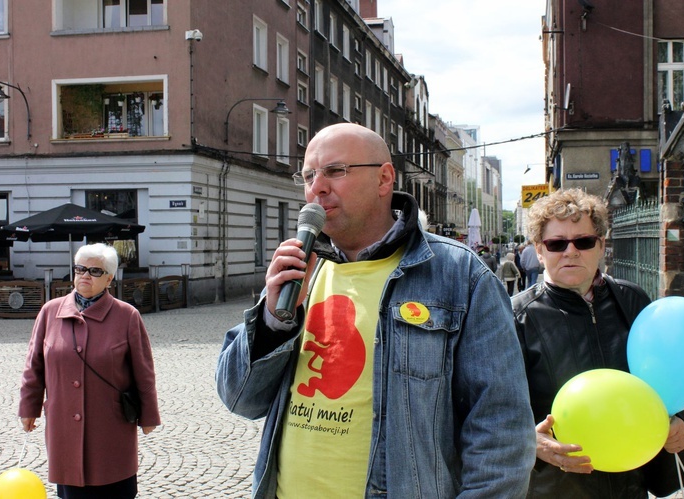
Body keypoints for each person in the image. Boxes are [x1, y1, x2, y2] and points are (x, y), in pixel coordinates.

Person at [216, 123, 536, 498]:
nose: (317, 187)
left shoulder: (460, 275)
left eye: (335, 171)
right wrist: (272, 319)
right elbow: (240, 399)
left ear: (384, 178)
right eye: (308, 175)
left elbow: (502, 431)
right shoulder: (301, 270)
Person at [511, 188, 684, 497]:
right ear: (539, 251)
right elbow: (490, 407)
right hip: (559, 487)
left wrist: (680, 419)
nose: (571, 252)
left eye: (583, 241)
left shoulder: (632, 299)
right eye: (556, 244)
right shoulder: (516, 317)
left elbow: (667, 375)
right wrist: (529, 441)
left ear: (601, 246)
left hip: (630, 481)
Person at [19, 243, 160, 499]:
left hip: (110, 426)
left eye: (95, 271)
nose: (85, 275)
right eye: (80, 269)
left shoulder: (127, 316)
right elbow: (34, 365)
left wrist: (148, 416)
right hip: (63, 426)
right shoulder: (50, 312)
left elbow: (144, 372)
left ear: (109, 278)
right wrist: (29, 408)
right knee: (71, 489)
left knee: (114, 485)